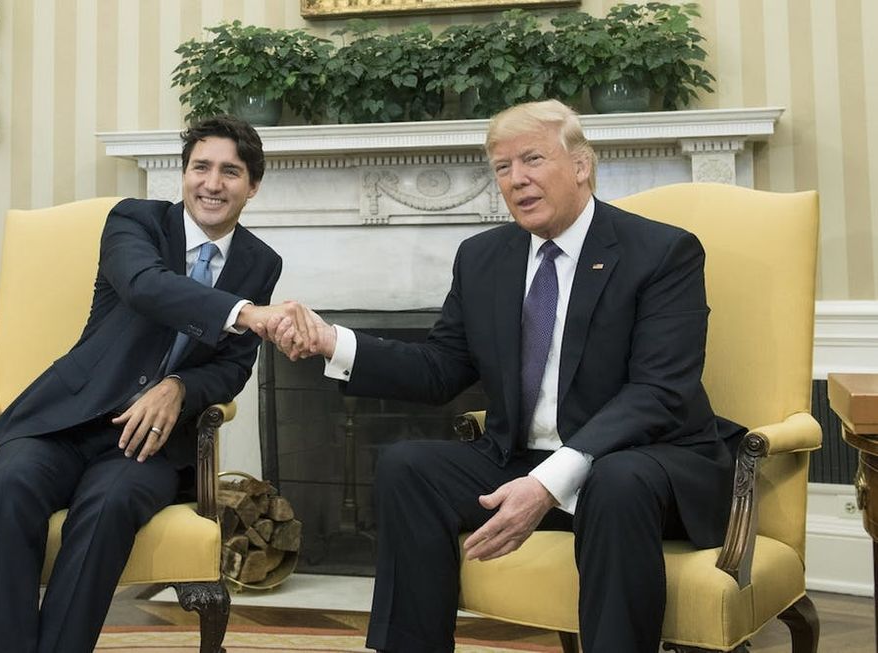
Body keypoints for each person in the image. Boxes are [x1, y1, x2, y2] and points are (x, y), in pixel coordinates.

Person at [259, 99, 746, 653]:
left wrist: (547, 484)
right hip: (521, 456)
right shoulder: (483, 257)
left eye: (532, 160)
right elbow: (442, 367)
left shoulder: (661, 252)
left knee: (617, 480)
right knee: (407, 466)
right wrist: (334, 341)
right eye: (502, 167)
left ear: (581, 165)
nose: (517, 180)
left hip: (645, 462)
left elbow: (658, 393)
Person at [0, 114, 313, 653]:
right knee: (11, 483)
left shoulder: (259, 261)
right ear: (183, 175)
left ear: (253, 185)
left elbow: (232, 368)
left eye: (230, 171)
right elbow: (145, 287)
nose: (212, 183)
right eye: (200, 167)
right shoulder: (134, 221)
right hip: (67, 420)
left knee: (109, 506)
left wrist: (177, 386)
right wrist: (247, 312)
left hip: (147, 446)